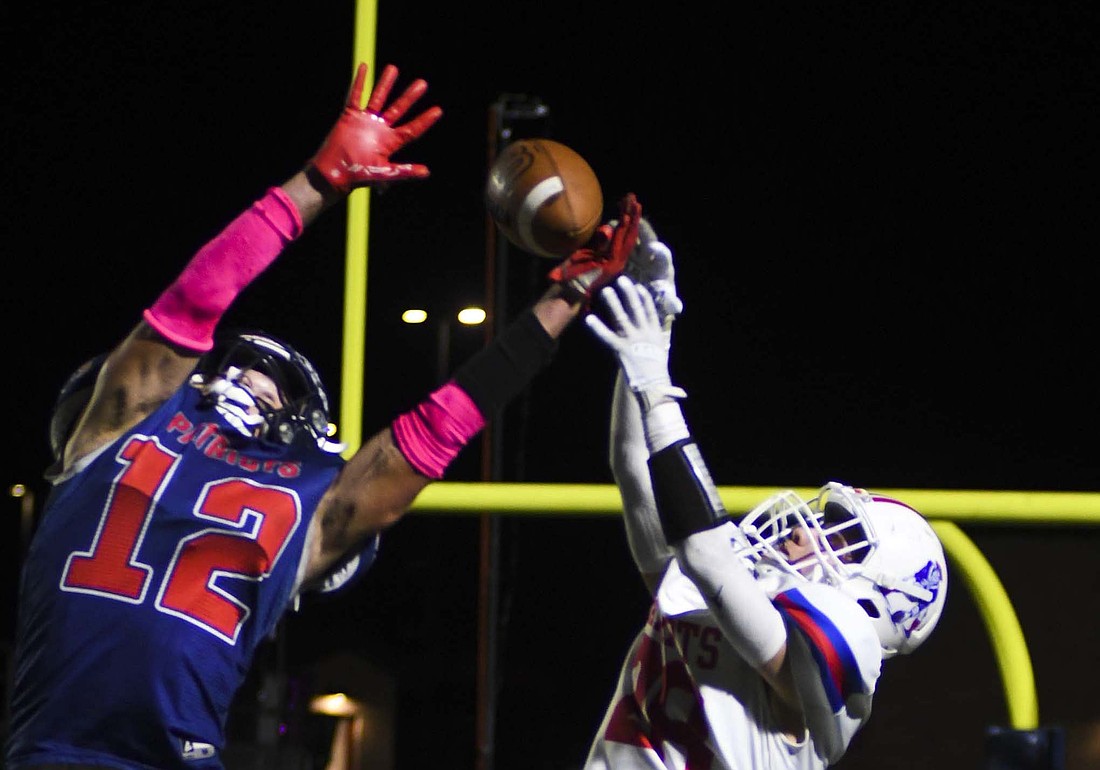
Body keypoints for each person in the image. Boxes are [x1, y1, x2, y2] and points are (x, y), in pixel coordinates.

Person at [5, 58, 645, 770]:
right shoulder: (121, 424)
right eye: (237, 363)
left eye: (274, 381)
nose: (250, 378)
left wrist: (560, 304)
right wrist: (313, 183)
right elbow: (190, 308)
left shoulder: (309, 499)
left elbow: (430, 436)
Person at [581, 230, 949, 768]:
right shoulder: (734, 580)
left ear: (876, 603)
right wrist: (654, 334)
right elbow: (635, 469)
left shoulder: (845, 657)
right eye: (829, 522)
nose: (808, 531)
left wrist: (657, 388)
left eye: (844, 540)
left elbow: (707, 560)